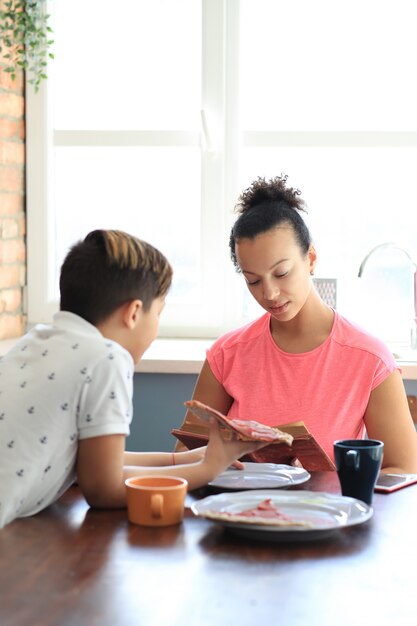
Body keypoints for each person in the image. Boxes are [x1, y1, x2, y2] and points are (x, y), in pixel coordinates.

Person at [0, 229, 266, 528]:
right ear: (134, 313)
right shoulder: (106, 358)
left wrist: (192, 458)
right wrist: (208, 469)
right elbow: (104, 488)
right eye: (159, 313)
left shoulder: (35, 341)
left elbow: (103, 462)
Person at [175, 175, 417, 474]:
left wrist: (328, 484)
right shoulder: (227, 354)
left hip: (330, 517)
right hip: (235, 513)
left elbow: (404, 469)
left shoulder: (370, 359)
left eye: (282, 273)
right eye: (253, 280)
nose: (269, 294)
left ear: (311, 259)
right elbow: (185, 457)